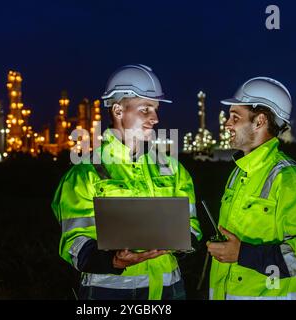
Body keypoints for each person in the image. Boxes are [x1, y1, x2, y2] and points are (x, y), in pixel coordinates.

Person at [51, 64, 202, 300]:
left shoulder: (172, 169)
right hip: (109, 292)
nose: (155, 118)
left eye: (156, 109)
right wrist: (113, 260)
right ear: (119, 111)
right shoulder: (86, 173)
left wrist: (182, 243)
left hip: (168, 291)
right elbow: (74, 243)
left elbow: (192, 225)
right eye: (146, 110)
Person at [207, 77, 296, 300]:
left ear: (259, 121)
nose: (227, 125)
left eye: (235, 117)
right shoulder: (239, 172)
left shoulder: (292, 179)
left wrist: (242, 254)